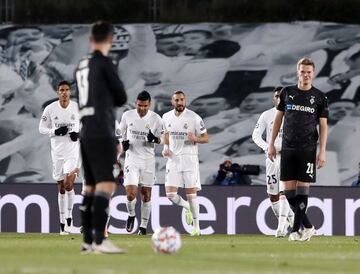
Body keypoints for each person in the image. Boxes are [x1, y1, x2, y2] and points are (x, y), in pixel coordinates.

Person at [75, 21, 127, 254]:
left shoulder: (81, 65)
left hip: (85, 131)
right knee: (106, 184)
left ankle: (87, 241)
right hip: (100, 130)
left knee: (89, 187)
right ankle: (99, 240)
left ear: (90, 39)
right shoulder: (105, 63)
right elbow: (121, 96)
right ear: (111, 40)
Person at [268, 58, 329, 241]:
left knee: (302, 191)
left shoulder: (319, 97)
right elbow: (278, 119)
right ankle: (308, 227)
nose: (306, 75)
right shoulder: (287, 93)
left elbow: (323, 126)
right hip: (287, 147)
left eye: (309, 72)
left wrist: (322, 151)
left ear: (313, 73)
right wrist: (271, 143)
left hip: (307, 149)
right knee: (288, 193)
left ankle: (295, 231)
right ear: (298, 72)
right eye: (303, 71)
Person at [162, 91, 209, 236]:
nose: (180, 102)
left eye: (182, 100)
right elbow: (166, 134)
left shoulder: (194, 117)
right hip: (173, 159)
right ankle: (187, 207)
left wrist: (195, 138)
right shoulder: (166, 117)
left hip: (189, 159)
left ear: (185, 100)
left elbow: (206, 138)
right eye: (177, 100)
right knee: (170, 195)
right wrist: (165, 147)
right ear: (172, 102)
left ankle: (196, 227)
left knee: (191, 194)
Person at [118, 90, 163, 235]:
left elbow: (163, 139)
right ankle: (131, 215)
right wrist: (122, 144)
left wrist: (154, 139)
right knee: (131, 194)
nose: (142, 109)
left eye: (145, 106)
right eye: (139, 105)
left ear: (149, 104)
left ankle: (143, 227)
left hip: (148, 161)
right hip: (132, 159)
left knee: (146, 195)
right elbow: (120, 134)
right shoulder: (127, 115)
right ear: (136, 103)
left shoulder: (156, 119)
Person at [252, 86, 294, 238]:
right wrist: (267, 147)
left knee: (284, 191)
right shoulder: (266, 115)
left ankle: (281, 228)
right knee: (272, 195)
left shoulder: (293, 115)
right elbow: (256, 136)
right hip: (271, 157)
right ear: (273, 98)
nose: (279, 99)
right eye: (277, 96)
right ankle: (291, 221)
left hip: (287, 156)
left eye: (283, 96)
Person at [38, 80, 79, 235]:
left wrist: (79, 134)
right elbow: (41, 128)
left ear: (70, 92)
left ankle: (69, 220)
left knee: (69, 184)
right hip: (57, 153)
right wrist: (54, 131)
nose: (64, 92)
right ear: (57, 92)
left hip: (72, 153)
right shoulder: (50, 109)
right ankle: (62, 224)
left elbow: (87, 124)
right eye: (61, 90)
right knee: (61, 187)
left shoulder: (76, 108)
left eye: (67, 90)